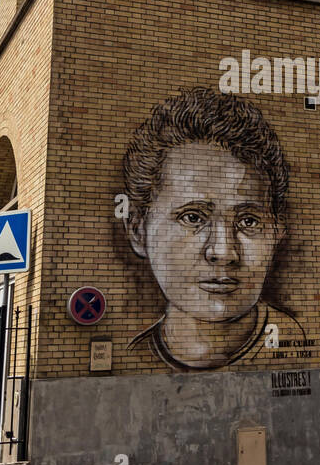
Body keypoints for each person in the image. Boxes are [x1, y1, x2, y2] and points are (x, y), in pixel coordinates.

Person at [123, 87, 305, 370]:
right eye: (193, 218)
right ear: (138, 230)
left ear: (277, 230)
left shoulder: (298, 342)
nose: (223, 251)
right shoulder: (129, 360)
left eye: (248, 221)